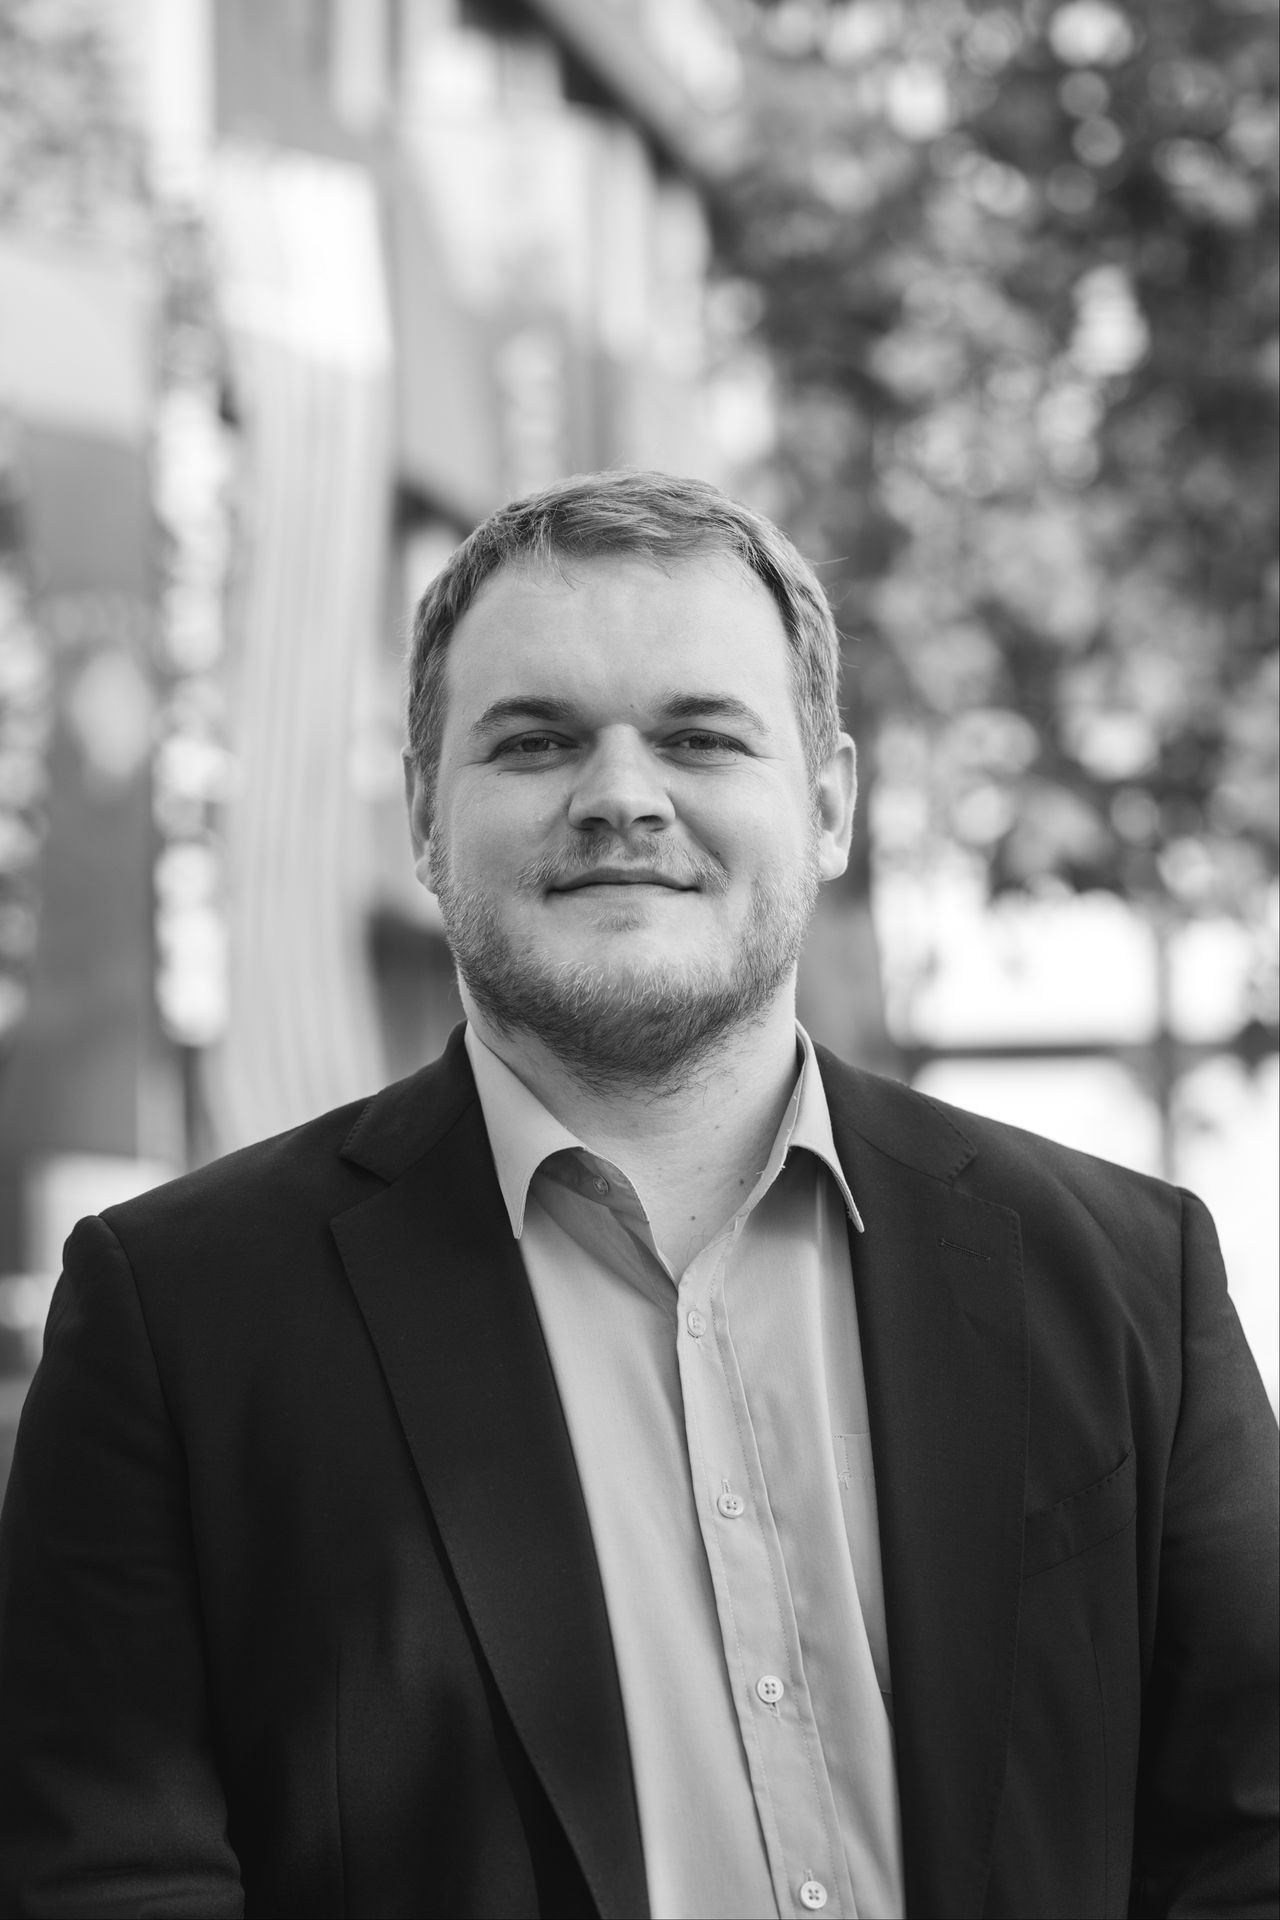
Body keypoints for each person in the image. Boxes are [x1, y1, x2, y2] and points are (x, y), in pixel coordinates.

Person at [0, 470, 1275, 1920]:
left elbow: (1248, 1843)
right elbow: (110, 1880)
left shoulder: (1128, 1279)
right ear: (424, 814)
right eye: (536, 741)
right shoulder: (178, 1321)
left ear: (833, 804)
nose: (620, 796)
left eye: (698, 736)